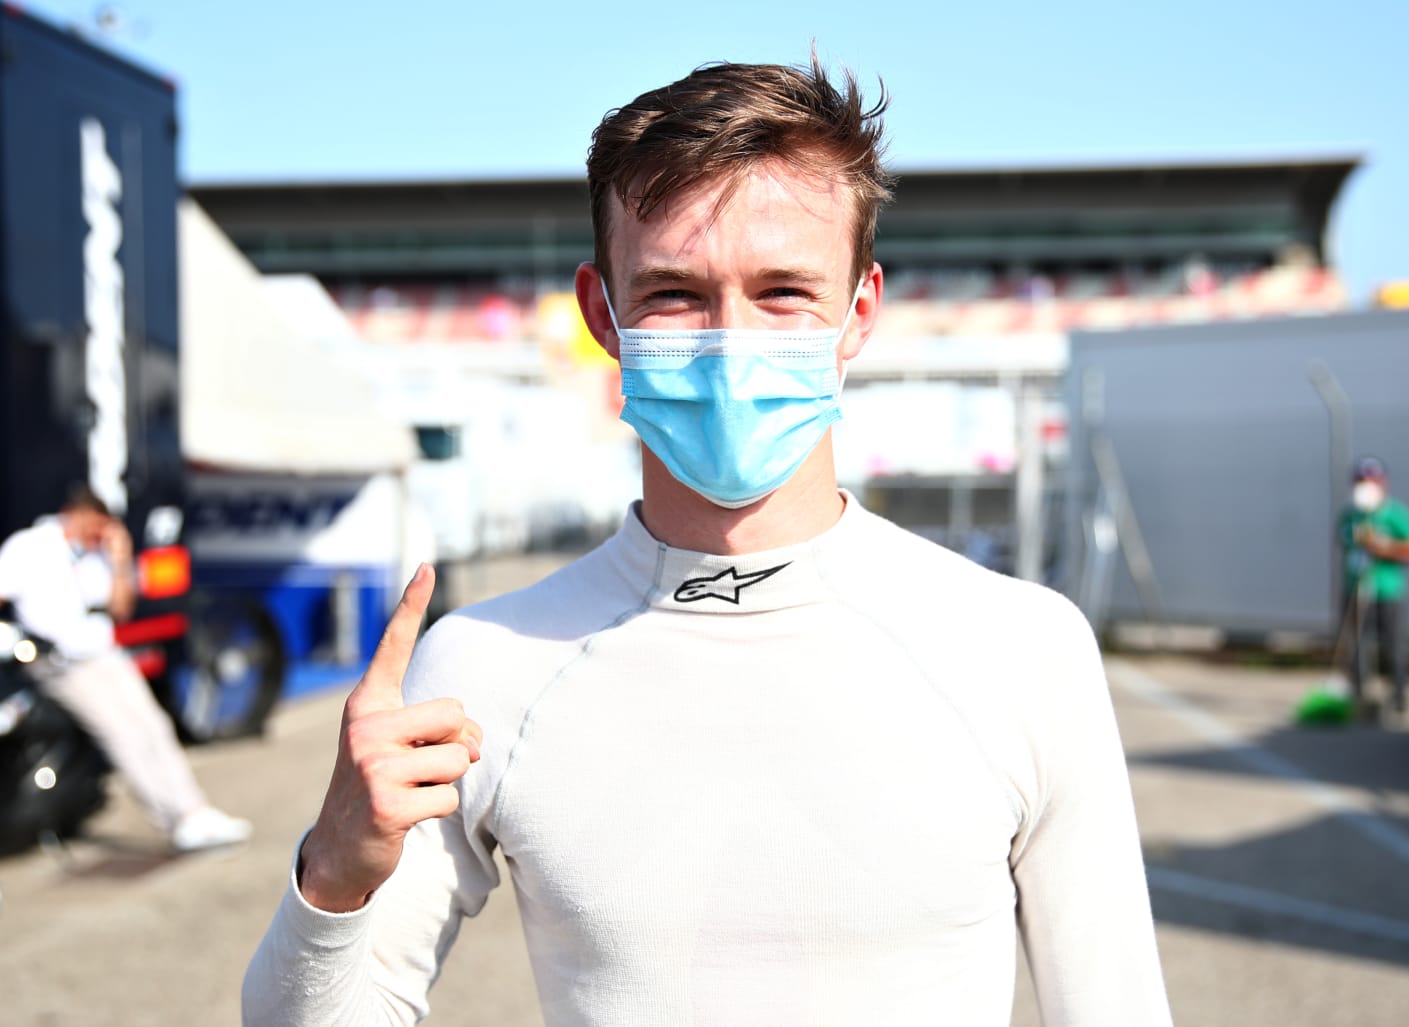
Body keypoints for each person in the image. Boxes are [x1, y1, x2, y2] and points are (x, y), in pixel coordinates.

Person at [244, 57, 1171, 1025]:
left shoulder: (1023, 649)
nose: (732, 343)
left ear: (859, 311)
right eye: (677, 295)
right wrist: (334, 873)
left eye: (781, 292)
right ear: (602, 314)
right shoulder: (483, 668)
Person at [0, 484, 252, 852]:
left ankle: (196, 811)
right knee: (123, 736)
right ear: (78, 514)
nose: (100, 535)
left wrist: (120, 560)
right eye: (97, 527)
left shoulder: (98, 554)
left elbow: (120, 609)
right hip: (59, 665)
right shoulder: (30, 547)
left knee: (153, 726)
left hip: (103, 654)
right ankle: (176, 819)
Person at [1337, 456, 1409, 719]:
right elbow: (1344, 543)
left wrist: (1385, 547)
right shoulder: (1349, 515)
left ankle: (1399, 695)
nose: (1366, 485)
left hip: (1388, 590)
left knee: (1395, 644)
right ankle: (1361, 694)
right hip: (1356, 588)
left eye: (1372, 480)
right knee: (1356, 644)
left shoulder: (1396, 514)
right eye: (1361, 480)